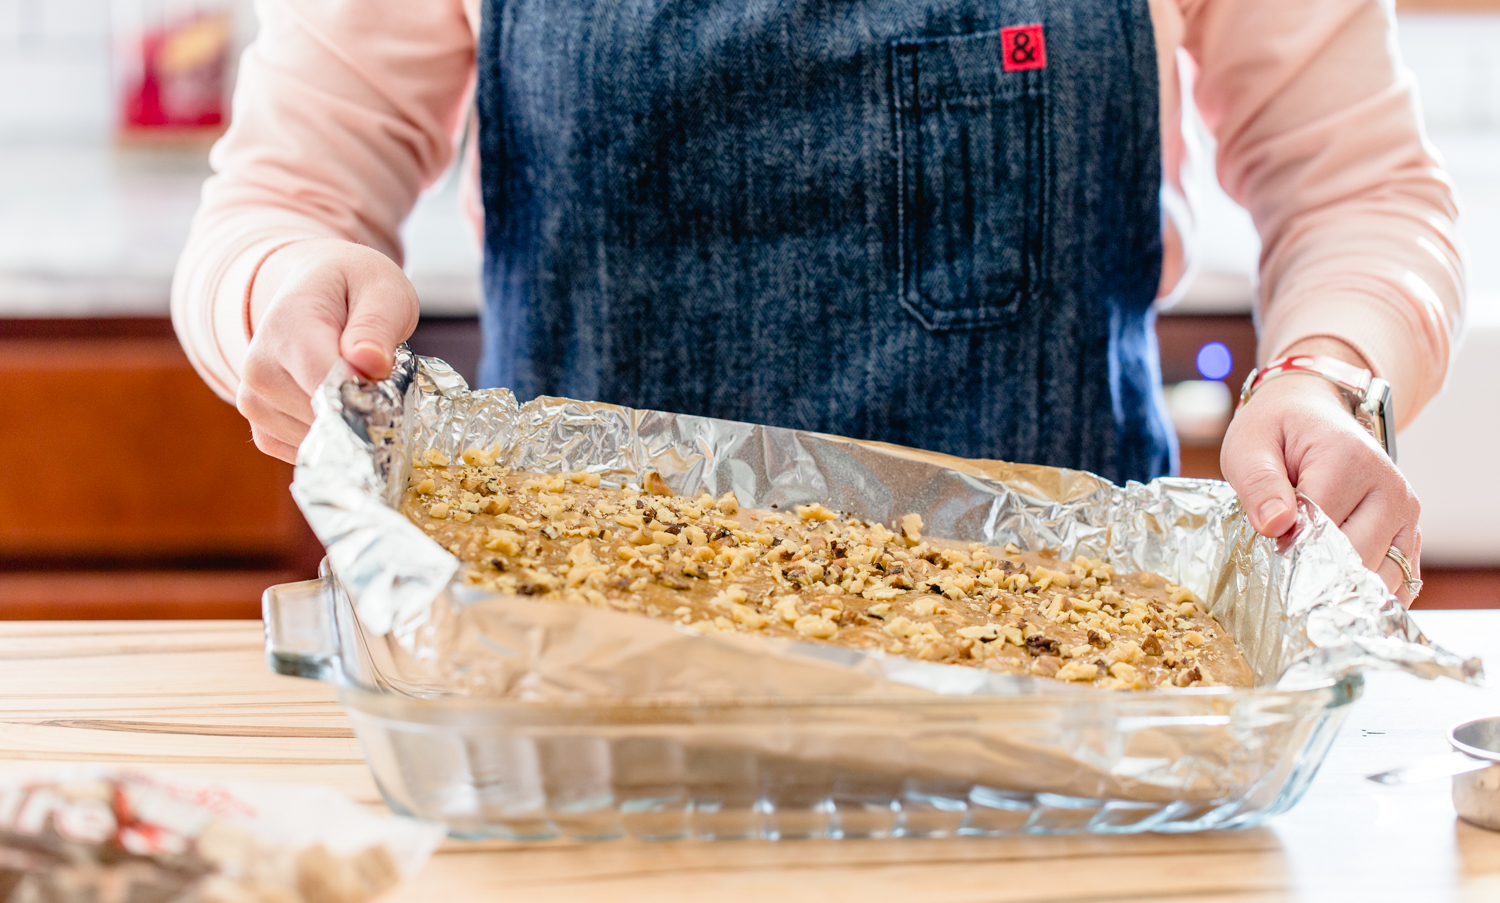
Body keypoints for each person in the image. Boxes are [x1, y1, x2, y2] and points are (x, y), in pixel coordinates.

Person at [173, 0, 1463, 608]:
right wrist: (280, 292)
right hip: (577, 696)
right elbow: (278, 204)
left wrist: (1321, 373)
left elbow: (1360, 190)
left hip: (1074, 711)